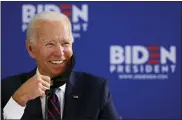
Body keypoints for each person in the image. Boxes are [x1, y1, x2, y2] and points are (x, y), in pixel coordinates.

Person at [1, 11, 121, 120]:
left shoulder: (96, 89)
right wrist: (18, 101)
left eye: (65, 43)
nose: (60, 53)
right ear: (31, 49)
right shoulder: (7, 89)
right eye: (50, 44)